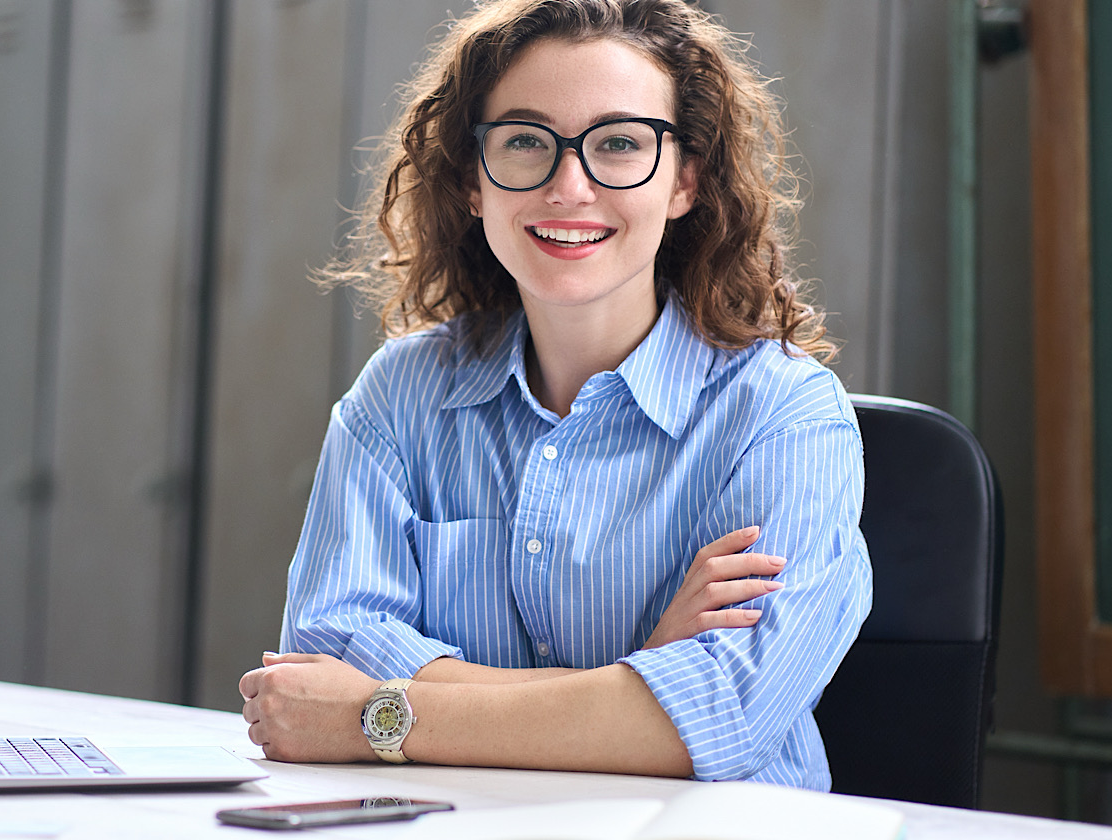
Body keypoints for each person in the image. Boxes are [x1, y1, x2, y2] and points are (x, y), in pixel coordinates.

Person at [239, 0, 870, 791]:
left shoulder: (785, 418)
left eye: (618, 144)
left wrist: (373, 714)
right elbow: (320, 659)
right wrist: (636, 680)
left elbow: (727, 715)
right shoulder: (400, 397)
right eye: (528, 142)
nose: (569, 185)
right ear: (475, 179)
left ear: (686, 180)